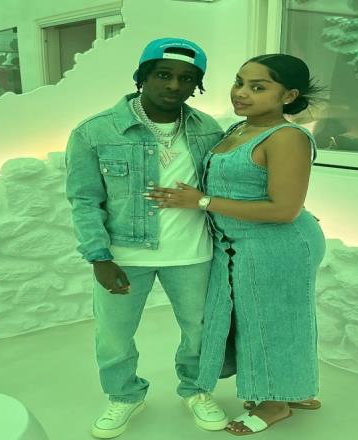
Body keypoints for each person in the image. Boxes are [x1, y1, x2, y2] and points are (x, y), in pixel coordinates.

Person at [146, 53, 326, 436]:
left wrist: (201, 202)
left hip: (276, 246)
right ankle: (292, 388)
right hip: (239, 246)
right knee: (256, 321)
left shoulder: (287, 137)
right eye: (239, 82)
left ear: (289, 96)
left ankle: (276, 404)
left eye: (257, 87)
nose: (241, 93)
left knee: (274, 323)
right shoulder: (239, 129)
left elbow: (284, 210)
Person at [65, 37, 229, 439]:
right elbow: (84, 200)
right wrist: (99, 257)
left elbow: (225, 187)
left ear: (197, 85)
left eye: (187, 78)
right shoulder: (95, 131)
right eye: (164, 74)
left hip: (193, 253)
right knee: (114, 336)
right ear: (142, 76)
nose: (174, 85)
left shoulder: (209, 130)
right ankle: (124, 396)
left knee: (200, 330)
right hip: (124, 255)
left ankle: (196, 389)